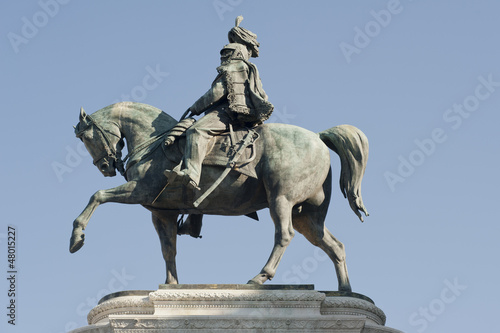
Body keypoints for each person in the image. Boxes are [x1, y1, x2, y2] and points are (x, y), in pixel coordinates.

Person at [165, 16, 273, 192]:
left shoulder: (234, 67)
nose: (223, 57)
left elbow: (217, 92)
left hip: (226, 112)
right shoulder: (246, 68)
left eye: (226, 53)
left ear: (235, 52)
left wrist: (195, 108)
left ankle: (191, 174)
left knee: (196, 130)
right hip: (234, 111)